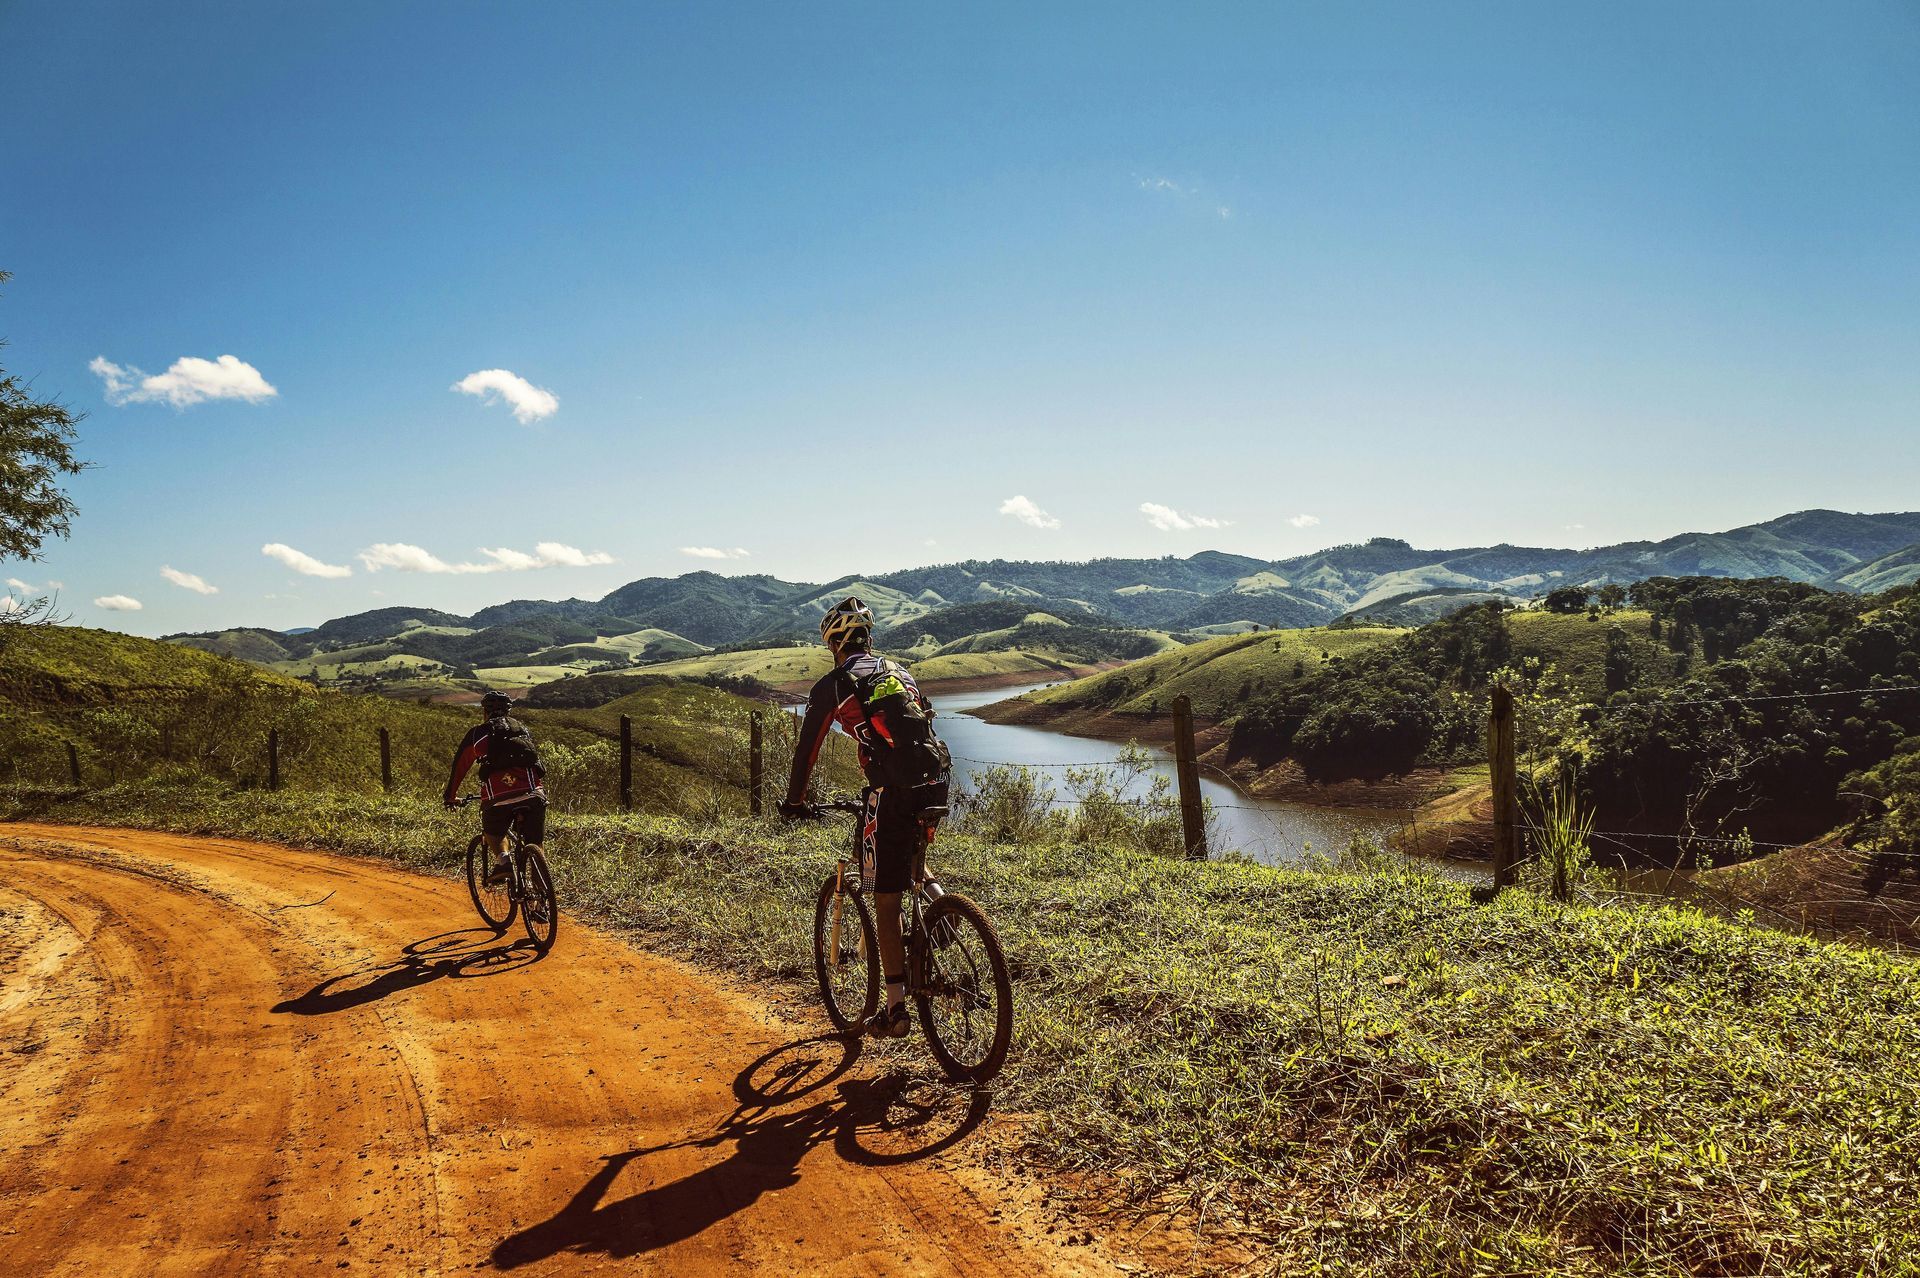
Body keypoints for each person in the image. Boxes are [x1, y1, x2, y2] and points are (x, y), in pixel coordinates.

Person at [781, 597, 951, 1038]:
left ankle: (894, 1010)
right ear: (868, 639)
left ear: (834, 644)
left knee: (886, 897)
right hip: (934, 781)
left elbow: (807, 752)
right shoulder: (898, 671)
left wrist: (795, 801)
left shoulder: (834, 685)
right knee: (912, 859)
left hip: (890, 792)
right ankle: (945, 908)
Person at [443, 691, 547, 885]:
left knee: (493, 831)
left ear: (484, 711)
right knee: (536, 844)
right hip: (534, 793)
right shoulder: (522, 729)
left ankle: (503, 862)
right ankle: (541, 906)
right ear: (509, 710)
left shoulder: (478, 734)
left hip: (498, 798)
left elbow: (460, 767)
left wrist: (450, 796)